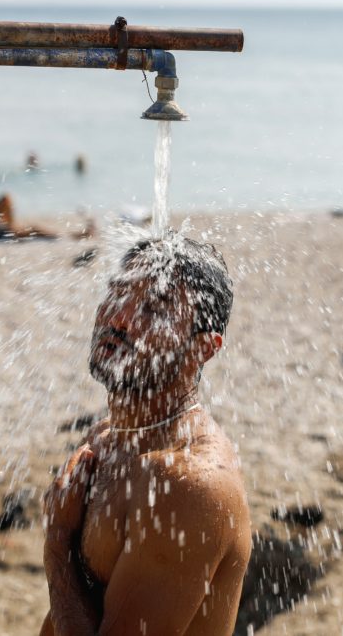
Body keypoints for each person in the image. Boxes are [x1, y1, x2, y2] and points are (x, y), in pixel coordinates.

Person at [40, 236, 251, 636]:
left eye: (155, 309)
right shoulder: (108, 437)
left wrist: (57, 545)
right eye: (118, 292)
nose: (119, 317)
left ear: (203, 348)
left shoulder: (190, 486)